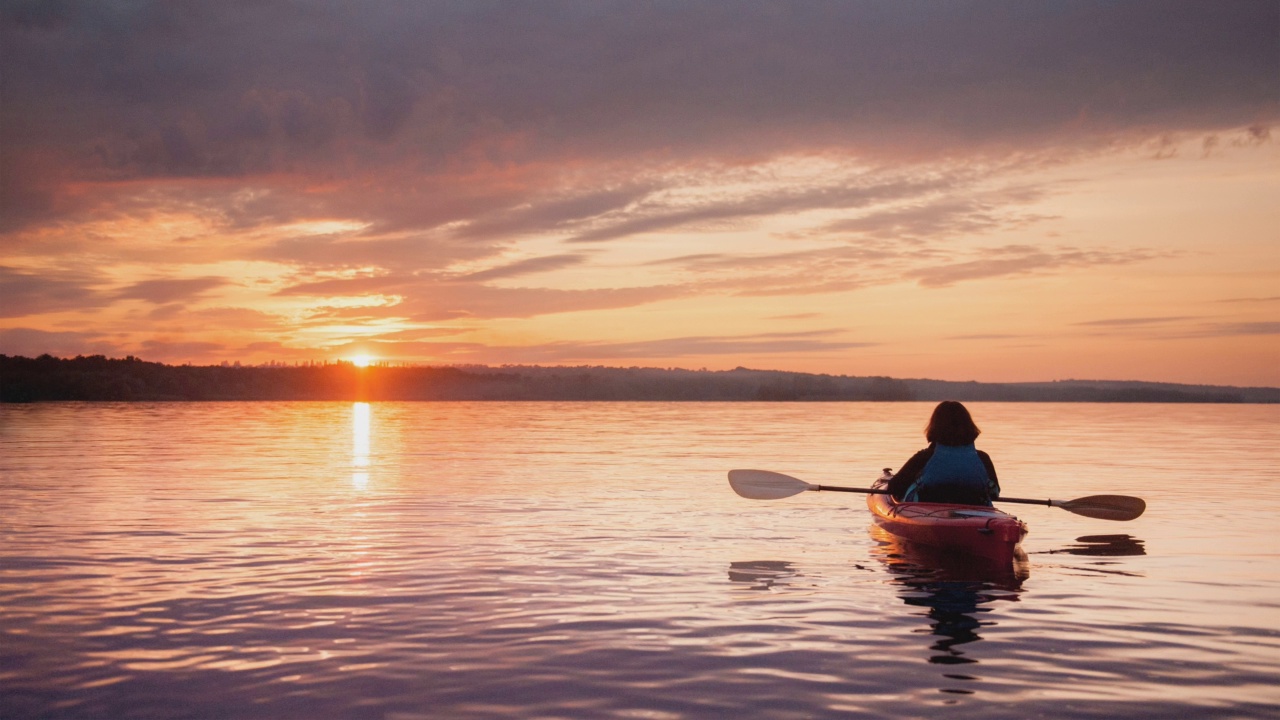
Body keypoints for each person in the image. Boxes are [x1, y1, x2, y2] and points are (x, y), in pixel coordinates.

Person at [887, 401, 999, 506]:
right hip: (977, 511)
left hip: (928, 511)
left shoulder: (925, 457)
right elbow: (994, 492)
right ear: (969, 426)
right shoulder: (982, 458)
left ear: (935, 427)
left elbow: (894, 487)